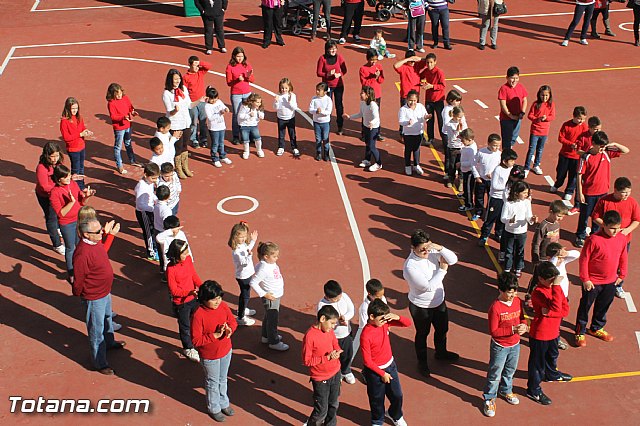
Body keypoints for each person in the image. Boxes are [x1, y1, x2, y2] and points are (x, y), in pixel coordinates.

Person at [72, 217, 125, 375]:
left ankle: (109, 342)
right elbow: (79, 278)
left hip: (104, 291)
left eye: (101, 229)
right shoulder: (82, 254)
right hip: (94, 296)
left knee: (107, 318)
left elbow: (103, 249)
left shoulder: (95, 243)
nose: (101, 233)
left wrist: (110, 235)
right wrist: (79, 293)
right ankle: (99, 362)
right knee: (96, 329)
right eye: (97, 232)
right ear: (86, 234)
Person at [403, 229, 458, 377]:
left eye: (427, 247)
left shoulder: (432, 251)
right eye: (421, 250)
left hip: (439, 302)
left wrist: (440, 248)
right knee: (422, 334)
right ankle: (422, 363)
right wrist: (443, 270)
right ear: (412, 248)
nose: (426, 252)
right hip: (421, 306)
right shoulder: (410, 267)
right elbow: (427, 287)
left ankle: (441, 353)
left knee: (442, 329)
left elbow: (453, 260)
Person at [575, 210, 628, 347]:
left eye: (618, 228)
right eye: (612, 228)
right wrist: (585, 279)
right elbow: (584, 260)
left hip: (610, 281)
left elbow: (623, 257)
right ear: (603, 225)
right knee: (585, 306)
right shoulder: (593, 239)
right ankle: (580, 331)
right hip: (592, 282)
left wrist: (622, 274)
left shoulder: (621, 238)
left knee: (603, 306)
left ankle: (596, 328)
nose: (615, 231)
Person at [191, 280, 237, 423]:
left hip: (226, 350)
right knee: (212, 381)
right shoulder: (198, 315)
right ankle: (214, 408)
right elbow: (196, 340)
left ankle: (224, 403)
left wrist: (230, 330)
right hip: (210, 356)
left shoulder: (223, 306)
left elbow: (232, 322)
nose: (217, 301)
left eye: (219, 298)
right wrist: (215, 336)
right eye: (213, 299)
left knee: (223, 379)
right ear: (204, 299)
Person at [482, 272, 527, 418]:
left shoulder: (518, 301)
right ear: (501, 290)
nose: (512, 295)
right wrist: (513, 329)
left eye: (514, 292)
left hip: (515, 344)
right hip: (500, 346)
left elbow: (522, 318)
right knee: (495, 373)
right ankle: (489, 398)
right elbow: (494, 331)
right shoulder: (495, 308)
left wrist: (524, 326)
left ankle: (506, 390)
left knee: (510, 370)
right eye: (509, 292)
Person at [526, 261, 572, 405]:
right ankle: (533, 390)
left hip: (553, 332)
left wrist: (552, 312)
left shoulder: (553, 289)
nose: (554, 282)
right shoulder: (538, 292)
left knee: (552, 355)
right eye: (551, 280)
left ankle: (551, 374)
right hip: (540, 334)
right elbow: (558, 308)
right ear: (541, 279)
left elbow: (565, 310)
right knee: (537, 364)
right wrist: (557, 287)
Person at [360, 299, 411, 426]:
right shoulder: (366, 335)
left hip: (391, 366)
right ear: (372, 316)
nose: (384, 321)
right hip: (375, 373)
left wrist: (397, 316)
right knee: (377, 399)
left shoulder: (384, 324)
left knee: (397, 395)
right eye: (382, 319)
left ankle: (395, 414)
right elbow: (367, 361)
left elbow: (407, 324)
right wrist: (382, 374)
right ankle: (377, 421)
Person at [575, 131, 629, 247]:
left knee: (598, 217)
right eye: (600, 146)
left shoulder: (607, 153)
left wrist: (615, 144)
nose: (602, 148)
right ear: (593, 143)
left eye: (604, 146)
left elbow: (626, 151)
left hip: (603, 192)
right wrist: (580, 193)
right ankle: (580, 235)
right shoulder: (585, 157)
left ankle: (595, 234)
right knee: (585, 216)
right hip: (588, 193)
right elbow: (579, 175)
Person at [592, 177, 640, 298]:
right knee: (605, 261)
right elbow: (595, 216)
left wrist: (626, 230)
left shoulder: (632, 202)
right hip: (605, 239)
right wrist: (607, 227)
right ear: (615, 190)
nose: (626, 195)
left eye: (628, 192)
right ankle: (601, 280)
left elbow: (636, 220)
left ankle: (618, 286)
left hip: (624, 240)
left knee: (621, 262)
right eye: (624, 192)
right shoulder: (604, 201)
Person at [49, 164, 96, 283]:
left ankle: (82, 267)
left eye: (70, 175)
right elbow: (61, 213)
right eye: (67, 177)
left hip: (79, 219)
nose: (70, 178)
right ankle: (71, 272)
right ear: (59, 179)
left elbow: (82, 201)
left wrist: (87, 196)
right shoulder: (54, 193)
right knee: (70, 248)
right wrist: (71, 202)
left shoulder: (73, 184)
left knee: (81, 246)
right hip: (67, 224)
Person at [302, 305, 342, 426]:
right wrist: (327, 358)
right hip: (320, 379)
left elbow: (335, 343)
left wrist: (338, 351)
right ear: (323, 319)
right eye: (332, 323)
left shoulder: (329, 331)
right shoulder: (310, 336)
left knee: (334, 404)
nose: (334, 326)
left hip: (335, 373)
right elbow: (307, 361)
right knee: (321, 411)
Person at [166, 239, 202, 362]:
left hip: (193, 298)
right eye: (184, 252)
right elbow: (174, 291)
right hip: (181, 304)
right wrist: (189, 292)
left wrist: (202, 287)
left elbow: (193, 275)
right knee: (185, 326)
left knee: (196, 320)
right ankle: (188, 348)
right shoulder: (171, 269)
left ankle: (197, 339)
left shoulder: (187, 260)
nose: (187, 254)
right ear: (176, 254)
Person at [162, 69, 202, 179]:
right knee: (178, 147)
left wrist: (200, 100)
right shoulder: (167, 93)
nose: (177, 81)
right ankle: (178, 169)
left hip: (186, 122)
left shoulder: (183, 89)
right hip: (175, 124)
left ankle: (185, 167)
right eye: (175, 79)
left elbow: (189, 105)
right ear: (170, 80)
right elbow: (169, 111)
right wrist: (175, 110)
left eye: (179, 78)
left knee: (185, 145)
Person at [250, 241, 289, 351]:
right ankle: (274, 341)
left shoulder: (267, 264)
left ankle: (266, 336)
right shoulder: (264, 268)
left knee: (268, 316)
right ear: (266, 256)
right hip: (271, 297)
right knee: (273, 319)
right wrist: (264, 294)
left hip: (275, 295)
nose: (277, 258)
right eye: (274, 256)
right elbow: (253, 282)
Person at [317, 280, 356, 385]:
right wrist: (338, 322)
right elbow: (324, 323)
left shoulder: (344, 296)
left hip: (346, 334)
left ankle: (346, 371)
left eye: (340, 296)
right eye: (336, 299)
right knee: (334, 356)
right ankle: (336, 373)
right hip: (332, 337)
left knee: (347, 354)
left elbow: (351, 309)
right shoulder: (322, 305)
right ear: (328, 297)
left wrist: (345, 317)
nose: (339, 299)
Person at [478, 148, 517, 245]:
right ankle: (484, 236)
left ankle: (498, 233)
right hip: (496, 198)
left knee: (501, 217)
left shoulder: (512, 169)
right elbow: (494, 185)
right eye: (511, 160)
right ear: (504, 161)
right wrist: (507, 187)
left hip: (506, 198)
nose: (513, 162)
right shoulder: (497, 170)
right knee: (490, 218)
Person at [500, 181, 538, 276]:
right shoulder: (508, 204)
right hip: (510, 231)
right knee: (509, 251)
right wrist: (509, 220)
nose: (526, 195)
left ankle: (518, 268)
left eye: (527, 193)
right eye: (524, 193)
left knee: (520, 251)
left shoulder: (527, 203)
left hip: (522, 232)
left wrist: (532, 219)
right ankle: (507, 268)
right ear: (516, 192)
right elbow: (503, 218)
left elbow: (528, 216)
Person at [550, 106, 588, 200]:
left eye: (583, 119)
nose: (581, 121)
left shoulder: (584, 127)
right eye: (579, 118)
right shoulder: (566, 125)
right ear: (574, 116)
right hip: (565, 154)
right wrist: (571, 144)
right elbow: (561, 138)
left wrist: (579, 145)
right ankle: (557, 184)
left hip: (576, 157)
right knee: (561, 173)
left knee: (573, 175)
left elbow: (585, 139)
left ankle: (569, 191)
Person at [35, 142, 65, 255]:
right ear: (47, 155)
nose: (55, 159)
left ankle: (57, 229)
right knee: (51, 218)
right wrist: (59, 187)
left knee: (57, 214)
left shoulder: (58, 163)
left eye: (57, 155)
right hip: (45, 197)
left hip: (56, 194)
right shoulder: (41, 168)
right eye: (52, 156)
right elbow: (44, 186)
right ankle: (56, 244)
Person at [344, 85, 382, 171]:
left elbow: (376, 117)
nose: (360, 94)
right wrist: (349, 117)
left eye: (362, 93)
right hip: (366, 126)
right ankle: (367, 160)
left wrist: (372, 123)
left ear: (368, 95)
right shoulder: (362, 103)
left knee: (372, 146)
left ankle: (379, 163)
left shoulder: (373, 105)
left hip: (373, 128)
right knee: (367, 144)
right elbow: (360, 114)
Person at [228, 221, 258, 326]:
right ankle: (241, 317)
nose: (244, 239)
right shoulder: (236, 251)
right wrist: (249, 256)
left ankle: (243, 309)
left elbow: (248, 248)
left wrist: (253, 241)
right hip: (243, 276)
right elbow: (243, 263)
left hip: (247, 274)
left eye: (245, 236)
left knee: (245, 294)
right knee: (245, 295)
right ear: (235, 237)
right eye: (241, 237)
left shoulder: (243, 245)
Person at [106, 83, 140, 175]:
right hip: (119, 128)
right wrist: (123, 117)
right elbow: (113, 117)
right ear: (112, 94)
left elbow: (130, 108)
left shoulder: (125, 98)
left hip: (128, 125)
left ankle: (133, 160)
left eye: (120, 93)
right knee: (118, 147)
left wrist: (133, 112)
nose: (119, 95)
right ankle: (119, 166)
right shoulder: (111, 103)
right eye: (117, 94)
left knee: (128, 143)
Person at [60, 97, 92, 190]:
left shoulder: (79, 117)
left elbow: (82, 127)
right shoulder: (64, 121)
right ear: (68, 108)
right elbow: (66, 138)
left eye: (76, 108)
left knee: (81, 168)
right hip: (73, 149)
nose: (75, 110)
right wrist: (80, 134)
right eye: (73, 108)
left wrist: (85, 131)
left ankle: (81, 186)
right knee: (75, 170)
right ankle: (76, 188)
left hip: (81, 146)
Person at [316, 41, 347, 135]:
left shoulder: (339, 57)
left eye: (335, 48)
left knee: (339, 105)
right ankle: (326, 125)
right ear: (327, 49)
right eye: (331, 49)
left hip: (338, 85)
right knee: (327, 106)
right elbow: (318, 73)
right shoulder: (322, 59)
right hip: (327, 86)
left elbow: (344, 70)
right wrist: (327, 74)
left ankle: (340, 126)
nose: (334, 50)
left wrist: (339, 74)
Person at [225, 47, 254, 145]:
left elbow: (253, 79)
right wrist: (238, 80)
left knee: (248, 112)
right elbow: (229, 82)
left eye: (241, 56)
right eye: (238, 56)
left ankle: (248, 135)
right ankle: (236, 136)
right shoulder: (230, 67)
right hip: (236, 94)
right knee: (236, 114)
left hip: (247, 92)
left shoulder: (247, 65)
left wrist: (248, 77)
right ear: (234, 56)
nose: (240, 58)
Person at [524, 85, 555, 177]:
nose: (544, 97)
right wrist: (538, 118)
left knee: (540, 149)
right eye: (542, 95)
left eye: (546, 95)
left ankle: (536, 165)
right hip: (535, 131)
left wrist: (546, 118)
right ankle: (526, 167)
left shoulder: (551, 105)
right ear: (539, 95)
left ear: (549, 95)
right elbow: (530, 115)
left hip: (544, 132)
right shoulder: (535, 104)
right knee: (531, 149)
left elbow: (552, 116)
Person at [398, 90, 430, 176]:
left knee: (417, 149)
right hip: (408, 134)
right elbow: (401, 121)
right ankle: (407, 165)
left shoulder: (420, 107)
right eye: (410, 100)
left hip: (419, 132)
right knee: (408, 149)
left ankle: (416, 164)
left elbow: (424, 117)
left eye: (414, 100)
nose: (412, 102)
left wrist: (427, 117)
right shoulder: (403, 109)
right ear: (407, 99)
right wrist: (407, 122)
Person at [183, 56, 212, 148]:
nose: (197, 67)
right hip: (193, 103)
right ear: (189, 65)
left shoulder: (200, 73)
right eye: (194, 65)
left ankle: (203, 138)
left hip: (202, 102)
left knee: (203, 121)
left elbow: (209, 66)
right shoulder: (186, 77)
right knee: (193, 122)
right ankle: (194, 139)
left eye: (197, 65)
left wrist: (199, 63)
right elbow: (184, 91)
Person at [472, 134, 502, 221]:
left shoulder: (499, 155)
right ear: (488, 143)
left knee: (491, 198)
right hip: (481, 180)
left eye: (498, 145)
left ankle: (489, 213)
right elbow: (473, 164)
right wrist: (477, 176)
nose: (496, 148)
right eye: (494, 145)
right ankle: (478, 212)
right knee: (478, 196)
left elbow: (500, 168)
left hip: (493, 181)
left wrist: (494, 175)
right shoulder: (481, 152)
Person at [134, 162, 160, 261]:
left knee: (153, 230)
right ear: (145, 175)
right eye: (153, 178)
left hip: (149, 210)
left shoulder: (149, 183)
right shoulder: (142, 187)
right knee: (149, 232)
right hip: (143, 212)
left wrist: (156, 199)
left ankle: (153, 248)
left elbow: (150, 194)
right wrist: (153, 209)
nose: (155, 180)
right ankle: (151, 253)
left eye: (156, 178)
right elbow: (140, 205)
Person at [498, 66, 528, 150]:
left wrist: (522, 112)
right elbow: (503, 104)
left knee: (513, 138)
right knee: (507, 140)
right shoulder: (504, 88)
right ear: (507, 78)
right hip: (506, 119)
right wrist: (510, 115)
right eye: (512, 78)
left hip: (518, 118)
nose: (514, 81)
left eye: (516, 78)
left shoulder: (520, 87)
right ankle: (505, 158)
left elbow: (525, 99)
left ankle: (509, 157)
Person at [420, 53, 446, 148]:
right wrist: (422, 82)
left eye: (431, 62)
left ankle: (444, 139)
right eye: (427, 62)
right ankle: (431, 138)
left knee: (441, 120)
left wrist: (432, 86)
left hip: (438, 100)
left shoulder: (439, 72)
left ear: (435, 62)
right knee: (429, 120)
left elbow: (443, 85)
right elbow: (420, 76)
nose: (429, 65)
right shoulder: (426, 71)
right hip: (429, 99)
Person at [203, 86, 232, 167]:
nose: (214, 100)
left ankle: (222, 156)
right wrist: (220, 113)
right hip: (213, 128)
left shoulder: (219, 101)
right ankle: (214, 158)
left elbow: (224, 107)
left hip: (221, 126)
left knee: (221, 143)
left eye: (215, 98)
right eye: (212, 99)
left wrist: (226, 109)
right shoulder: (207, 106)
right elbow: (210, 118)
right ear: (208, 98)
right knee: (215, 143)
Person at [273, 78, 300, 157]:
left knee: (292, 133)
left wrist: (290, 101)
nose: (284, 89)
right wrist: (276, 101)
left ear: (289, 88)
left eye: (286, 88)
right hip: (281, 118)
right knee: (281, 134)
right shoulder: (278, 96)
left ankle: (294, 147)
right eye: (282, 88)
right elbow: (275, 107)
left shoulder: (292, 96)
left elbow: (295, 107)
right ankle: (281, 147)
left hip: (290, 118)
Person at [442, 106, 467, 190]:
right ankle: (451, 178)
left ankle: (461, 180)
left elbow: (465, 132)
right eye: (459, 117)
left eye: (462, 117)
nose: (461, 119)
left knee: (461, 164)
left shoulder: (463, 123)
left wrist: (462, 128)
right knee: (452, 164)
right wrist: (457, 130)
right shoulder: (449, 124)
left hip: (461, 147)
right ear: (454, 116)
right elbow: (451, 134)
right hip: (452, 147)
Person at [310, 82, 334, 162]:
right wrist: (316, 111)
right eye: (316, 90)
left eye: (319, 90)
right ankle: (318, 153)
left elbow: (328, 112)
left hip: (325, 123)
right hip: (316, 122)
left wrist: (321, 111)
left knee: (325, 138)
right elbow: (310, 110)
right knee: (318, 138)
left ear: (325, 92)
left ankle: (326, 153)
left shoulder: (328, 100)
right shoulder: (314, 99)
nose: (317, 92)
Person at [238, 93, 265, 160]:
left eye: (260, 102)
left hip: (253, 125)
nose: (259, 104)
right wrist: (249, 115)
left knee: (258, 138)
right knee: (245, 140)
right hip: (244, 126)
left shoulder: (258, 108)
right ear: (252, 102)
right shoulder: (245, 107)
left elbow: (261, 113)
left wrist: (261, 116)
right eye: (257, 102)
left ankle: (259, 150)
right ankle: (246, 152)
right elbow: (240, 116)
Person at [458, 129, 478, 212]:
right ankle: (465, 195)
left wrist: (461, 164)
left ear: (469, 140)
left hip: (469, 172)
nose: (462, 142)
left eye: (463, 140)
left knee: (468, 188)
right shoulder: (468, 147)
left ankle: (468, 204)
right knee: (466, 186)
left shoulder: (472, 150)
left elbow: (471, 163)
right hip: (465, 170)